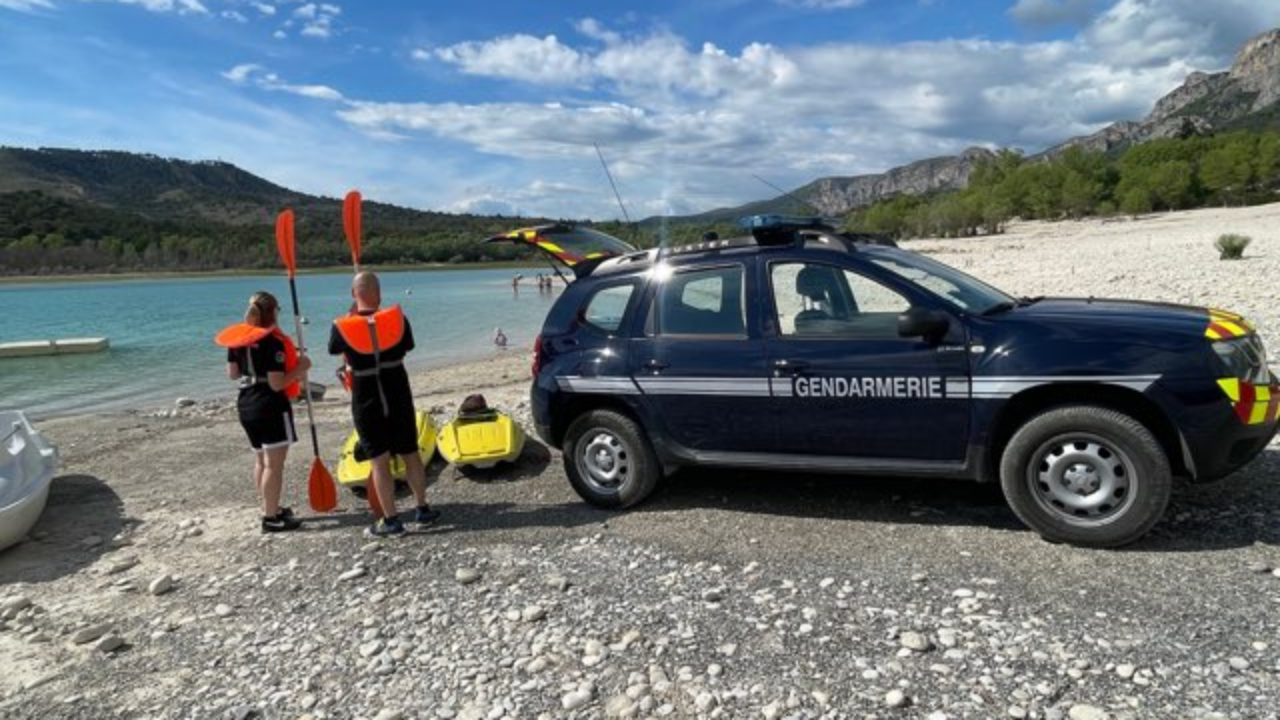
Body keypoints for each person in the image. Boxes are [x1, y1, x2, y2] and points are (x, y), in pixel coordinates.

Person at [329, 271, 439, 537]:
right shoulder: (398, 319)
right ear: (379, 294)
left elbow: (335, 350)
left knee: (378, 461)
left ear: (354, 294)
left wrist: (355, 321)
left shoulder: (342, 326)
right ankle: (422, 509)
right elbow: (407, 345)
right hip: (397, 393)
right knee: (410, 453)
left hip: (367, 399)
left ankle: (391, 521)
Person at [220, 291, 311, 533]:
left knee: (261, 460)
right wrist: (301, 368)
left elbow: (232, 374)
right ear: (273, 312)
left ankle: (269, 507)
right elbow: (277, 383)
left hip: (246, 402)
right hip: (269, 404)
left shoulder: (238, 339)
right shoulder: (273, 343)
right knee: (274, 465)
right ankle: (271, 518)